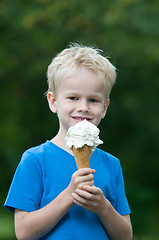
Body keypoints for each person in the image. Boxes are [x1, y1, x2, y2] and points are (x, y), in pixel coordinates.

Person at [4, 43, 133, 240]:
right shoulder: (35, 160)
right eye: (73, 98)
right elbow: (23, 233)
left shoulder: (111, 164)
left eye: (93, 100)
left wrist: (103, 207)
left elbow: (125, 236)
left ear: (105, 107)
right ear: (53, 102)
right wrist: (68, 195)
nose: (83, 107)